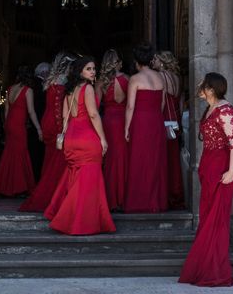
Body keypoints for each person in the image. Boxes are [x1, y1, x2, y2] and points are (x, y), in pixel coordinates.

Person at [178, 72, 233, 287]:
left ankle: (214, 269)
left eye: (203, 84)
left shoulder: (224, 110)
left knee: (216, 218)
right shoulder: (210, 108)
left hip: (221, 168)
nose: (199, 87)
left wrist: (231, 171)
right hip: (209, 166)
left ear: (211, 89)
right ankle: (204, 265)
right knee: (208, 216)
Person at [45, 56, 115, 235]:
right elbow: (93, 115)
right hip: (87, 137)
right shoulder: (87, 88)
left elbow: (64, 119)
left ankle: (70, 216)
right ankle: (79, 221)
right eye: (89, 69)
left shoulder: (69, 90)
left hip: (71, 137)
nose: (93, 72)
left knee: (76, 178)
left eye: (93, 68)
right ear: (80, 71)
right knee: (88, 182)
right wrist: (103, 139)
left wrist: (67, 138)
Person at [19, 53, 74, 212]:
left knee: (50, 159)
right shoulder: (63, 82)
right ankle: (55, 195)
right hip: (56, 122)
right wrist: (63, 128)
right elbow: (59, 108)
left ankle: (50, 193)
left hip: (47, 121)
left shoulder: (50, 80)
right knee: (58, 161)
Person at [124, 43, 168, 213]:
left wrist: (127, 127)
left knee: (139, 160)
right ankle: (156, 202)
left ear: (136, 61)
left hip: (141, 122)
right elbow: (162, 103)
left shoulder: (134, 79)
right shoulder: (160, 77)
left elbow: (130, 106)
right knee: (156, 160)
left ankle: (139, 202)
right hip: (156, 120)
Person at [0, 66, 41, 197]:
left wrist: (6, 126)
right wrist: (38, 128)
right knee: (20, 154)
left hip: (10, 124)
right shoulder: (27, 90)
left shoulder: (10, 89)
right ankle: (19, 188)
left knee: (9, 154)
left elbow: (6, 110)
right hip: (19, 125)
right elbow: (31, 111)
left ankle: (5, 186)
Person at [96, 49, 130, 211]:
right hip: (123, 120)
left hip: (108, 122)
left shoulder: (101, 82)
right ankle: (123, 197)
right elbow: (131, 104)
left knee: (109, 159)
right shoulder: (128, 79)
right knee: (123, 158)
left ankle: (109, 199)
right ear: (118, 62)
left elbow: (95, 107)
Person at [152, 50, 185, 209]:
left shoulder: (162, 77)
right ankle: (176, 193)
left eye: (156, 60)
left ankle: (165, 194)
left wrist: (157, 118)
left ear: (163, 62)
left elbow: (162, 102)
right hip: (175, 121)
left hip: (164, 119)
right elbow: (180, 102)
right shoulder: (178, 78)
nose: (154, 63)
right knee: (174, 160)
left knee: (164, 158)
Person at [27, 62, 50, 179]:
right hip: (39, 122)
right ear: (44, 73)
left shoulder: (33, 85)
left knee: (35, 152)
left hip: (33, 123)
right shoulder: (40, 86)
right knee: (38, 153)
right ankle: (37, 177)